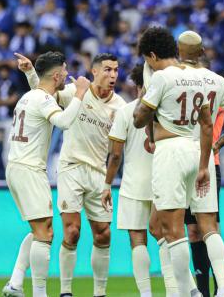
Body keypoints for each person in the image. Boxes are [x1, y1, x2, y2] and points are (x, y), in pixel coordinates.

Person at [16, 52, 126, 297]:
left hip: (98, 172)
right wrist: (31, 72)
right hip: (71, 168)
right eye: (107, 70)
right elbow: (42, 94)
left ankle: (100, 292)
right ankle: (66, 291)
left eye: (116, 70)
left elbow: (117, 152)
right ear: (94, 71)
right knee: (72, 232)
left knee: (103, 233)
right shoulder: (74, 91)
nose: (113, 75)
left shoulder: (120, 106)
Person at [132, 26, 212, 297]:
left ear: (152, 56)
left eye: (147, 59)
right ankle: (186, 289)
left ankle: (187, 291)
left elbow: (139, 119)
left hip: (170, 152)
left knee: (173, 229)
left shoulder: (161, 78)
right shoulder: (196, 76)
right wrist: (203, 164)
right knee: (160, 225)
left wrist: (144, 100)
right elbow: (207, 123)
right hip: (192, 147)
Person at [2, 51, 90, 297]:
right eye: (64, 69)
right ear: (57, 74)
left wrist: (30, 72)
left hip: (18, 166)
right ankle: (39, 292)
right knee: (45, 234)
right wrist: (80, 94)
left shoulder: (30, 96)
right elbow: (63, 122)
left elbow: (45, 97)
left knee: (40, 229)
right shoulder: (42, 99)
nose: (67, 74)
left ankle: (16, 283)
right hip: (29, 169)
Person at [178, 30, 224, 297]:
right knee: (194, 230)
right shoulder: (205, 85)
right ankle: (203, 291)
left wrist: (220, 143)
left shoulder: (214, 88)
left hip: (210, 163)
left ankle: (219, 288)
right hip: (188, 160)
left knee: (207, 227)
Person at [100, 64, 156, 297]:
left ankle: (146, 294)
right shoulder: (166, 110)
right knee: (169, 236)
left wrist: (106, 185)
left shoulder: (126, 111)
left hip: (133, 184)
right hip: (162, 180)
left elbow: (115, 155)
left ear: (137, 86)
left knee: (137, 238)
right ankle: (180, 291)